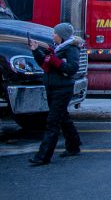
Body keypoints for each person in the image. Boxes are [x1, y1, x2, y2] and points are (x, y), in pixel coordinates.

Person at [27, 22, 82, 166]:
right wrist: (35, 50)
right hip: (54, 87)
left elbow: (72, 68)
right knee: (63, 118)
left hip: (62, 89)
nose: (53, 35)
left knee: (52, 122)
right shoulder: (57, 48)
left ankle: (43, 156)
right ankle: (73, 146)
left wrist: (54, 60)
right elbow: (46, 65)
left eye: (55, 33)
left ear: (62, 35)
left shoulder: (71, 49)